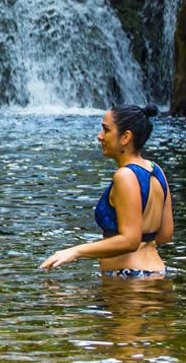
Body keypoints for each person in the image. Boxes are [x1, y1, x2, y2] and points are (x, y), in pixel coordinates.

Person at [40, 104, 174, 278]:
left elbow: (130, 241)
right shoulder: (156, 171)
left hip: (129, 277)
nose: (100, 136)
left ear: (125, 137)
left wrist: (75, 251)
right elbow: (165, 234)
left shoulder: (125, 176)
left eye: (106, 130)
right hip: (157, 273)